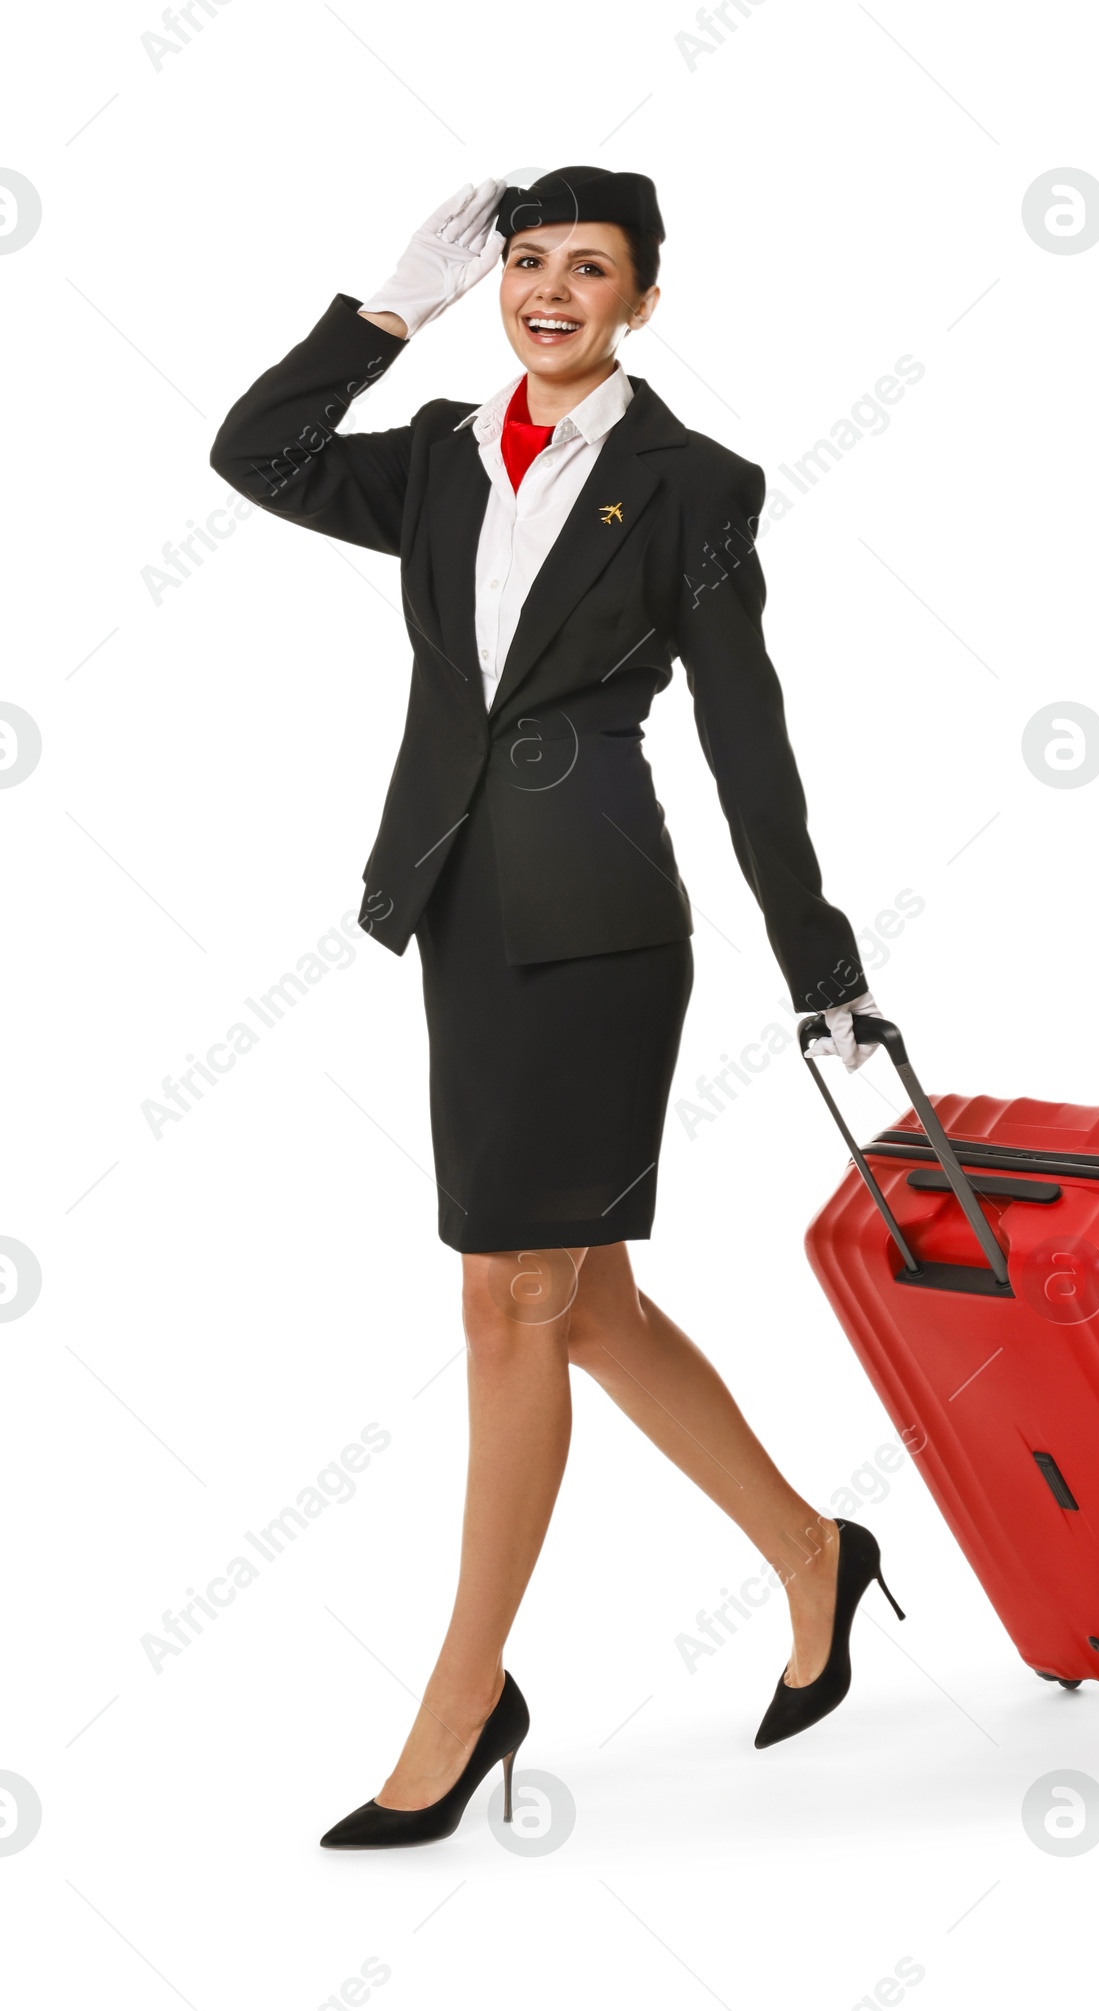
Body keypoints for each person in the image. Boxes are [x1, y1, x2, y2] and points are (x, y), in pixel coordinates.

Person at [208, 168, 902, 1850]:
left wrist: (821, 965)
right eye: (526, 262)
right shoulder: (442, 455)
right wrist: (385, 312)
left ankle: (464, 1701)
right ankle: (817, 1553)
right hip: (463, 913)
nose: (549, 289)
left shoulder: (692, 484)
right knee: (582, 1310)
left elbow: (749, 735)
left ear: (642, 302)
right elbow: (257, 454)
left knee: (510, 1303)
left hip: (599, 931)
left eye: (589, 269)